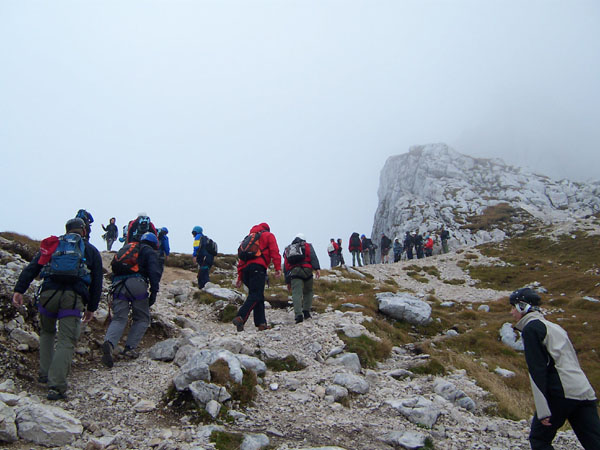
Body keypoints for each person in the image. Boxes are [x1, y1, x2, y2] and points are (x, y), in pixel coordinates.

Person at [12, 218, 103, 400]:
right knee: (66, 340)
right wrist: (91, 308)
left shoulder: (53, 245)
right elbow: (97, 283)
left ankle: (44, 374)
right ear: (84, 231)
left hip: (48, 295)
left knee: (47, 333)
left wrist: (19, 289)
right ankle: (56, 386)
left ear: (67, 230)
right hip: (72, 297)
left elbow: (33, 267)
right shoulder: (90, 250)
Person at [510, 287, 600, 449]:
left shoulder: (531, 329)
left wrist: (543, 409)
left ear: (522, 307)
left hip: (560, 392)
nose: (511, 312)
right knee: (594, 442)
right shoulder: (555, 327)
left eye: (512, 307)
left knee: (539, 440)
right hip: (584, 391)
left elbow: (537, 370)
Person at [101, 232, 160, 368]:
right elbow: (154, 272)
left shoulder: (128, 247)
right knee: (142, 318)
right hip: (137, 284)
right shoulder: (148, 251)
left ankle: (109, 343)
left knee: (119, 318)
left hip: (117, 284)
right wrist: (154, 292)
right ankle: (129, 348)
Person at [233, 223, 281, 332]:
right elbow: (275, 251)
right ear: (267, 229)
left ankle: (261, 324)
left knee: (257, 295)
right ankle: (240, 317)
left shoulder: (249, 239)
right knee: (256, 294)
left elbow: (241, 261)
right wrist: (278, 268)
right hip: (257, 268)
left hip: (246, 271)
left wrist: (239, 278)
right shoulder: (268, 235)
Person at [283, 233, 321, 323]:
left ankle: (298, 315)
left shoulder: (289, 249)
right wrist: (317, 269)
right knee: (309, 291)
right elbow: (313, 257)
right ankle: (306, 311)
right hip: (307, 270)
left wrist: (288, 281)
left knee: (296, 294)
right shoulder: (307, 245)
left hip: (295, 272)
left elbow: (286, 266)